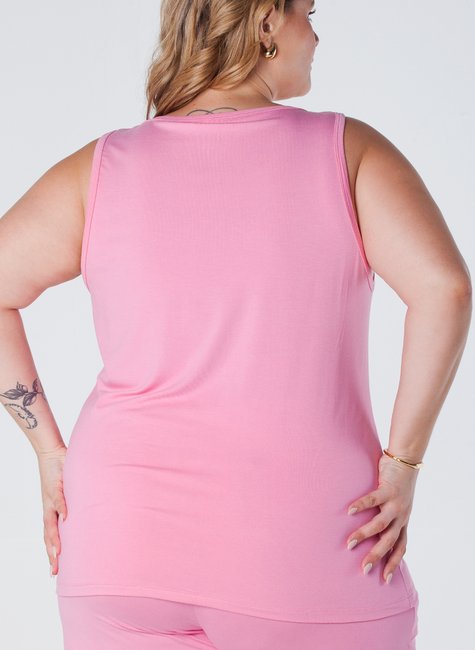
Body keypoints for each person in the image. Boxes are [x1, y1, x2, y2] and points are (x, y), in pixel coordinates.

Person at [0, 0, 471, 648]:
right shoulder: (345, 151)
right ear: (266, 21)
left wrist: (52, 453)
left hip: (119, 545)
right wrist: (403, 463)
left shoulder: (101, 168)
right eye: (309, 13)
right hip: (303, 551)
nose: (316, 35)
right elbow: (444, 289)